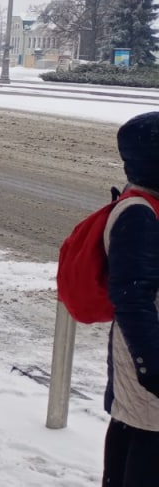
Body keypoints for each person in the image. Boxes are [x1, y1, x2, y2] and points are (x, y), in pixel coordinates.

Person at [102, 112, 159, 486]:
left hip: (143, 348)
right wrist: (151, 365)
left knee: (133, 430)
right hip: (145, 351)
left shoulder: (147, 203)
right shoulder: (138, 212)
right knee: (146, 439)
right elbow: (132, 297)